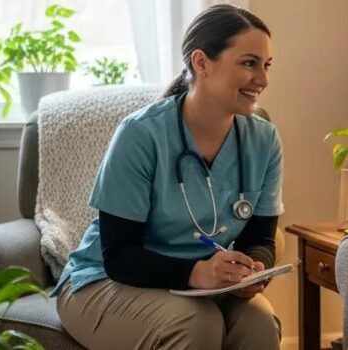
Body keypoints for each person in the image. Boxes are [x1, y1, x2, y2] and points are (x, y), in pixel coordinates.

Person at [52, 5, 283, 350]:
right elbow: (119, 255)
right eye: (249, 63)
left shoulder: (263, 140)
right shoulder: (141, 134)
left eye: (266, 65)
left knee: (258, 322)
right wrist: (196, 273)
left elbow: (260, 237)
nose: (262, 80)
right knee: (196, 323)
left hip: (203, 286)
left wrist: (252, 270)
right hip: (105, 280)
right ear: (201, 62)